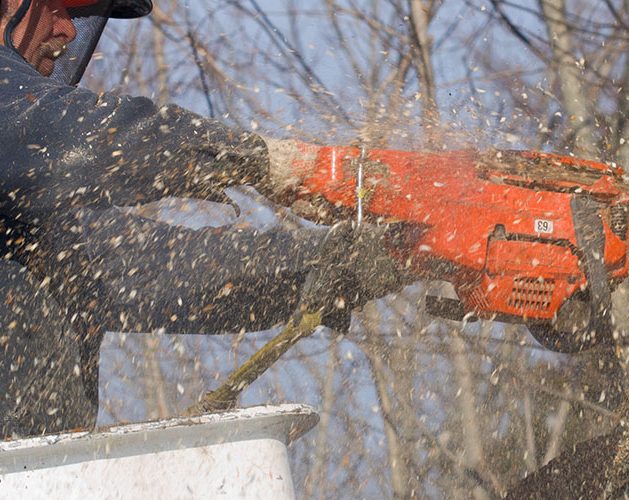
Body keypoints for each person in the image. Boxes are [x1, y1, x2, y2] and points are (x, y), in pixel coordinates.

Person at [0, 0, 395, 437]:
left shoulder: (31, 225)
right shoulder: (24, 122)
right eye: (61, 8)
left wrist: (356, 258)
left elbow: (162, 268)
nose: (69, 32)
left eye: (77, 17)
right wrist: (265, 162)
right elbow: (86, 138)